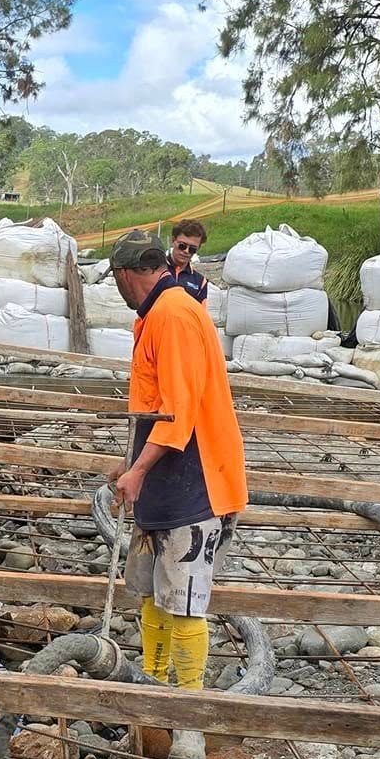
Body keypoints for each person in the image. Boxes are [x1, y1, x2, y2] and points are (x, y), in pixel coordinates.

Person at [107, 231, 246, 689]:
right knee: (153, 592)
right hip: (164, 476)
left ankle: (186, 706)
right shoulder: (154, 317)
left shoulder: (174, 315)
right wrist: (130, 464)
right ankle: (152, 682)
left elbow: (179, 412)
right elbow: (154, 403)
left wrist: (139, 470)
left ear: (128, 275)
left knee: (184, 600)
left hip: (196, 479)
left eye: (116, 280)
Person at [168, 220, 209, 304]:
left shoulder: (200, 282)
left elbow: (201, 313)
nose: (186, 251)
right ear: (173, 240)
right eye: (182, 246)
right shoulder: (155, 269)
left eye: (192, 249)